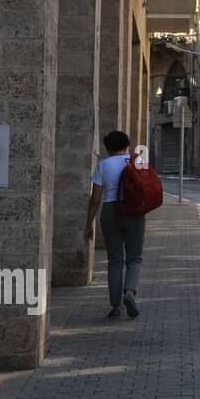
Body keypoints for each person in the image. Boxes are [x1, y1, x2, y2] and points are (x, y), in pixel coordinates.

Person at [85, 131, 145, 319]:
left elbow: (95, 199)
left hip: (110, 211)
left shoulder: (103, 165)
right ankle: (129, 293)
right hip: (134, 212)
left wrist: (89, 224)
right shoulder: (138, 162)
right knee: (134, 258)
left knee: (115, 260)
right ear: (127, 145)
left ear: (108, 147)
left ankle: (115, 306)